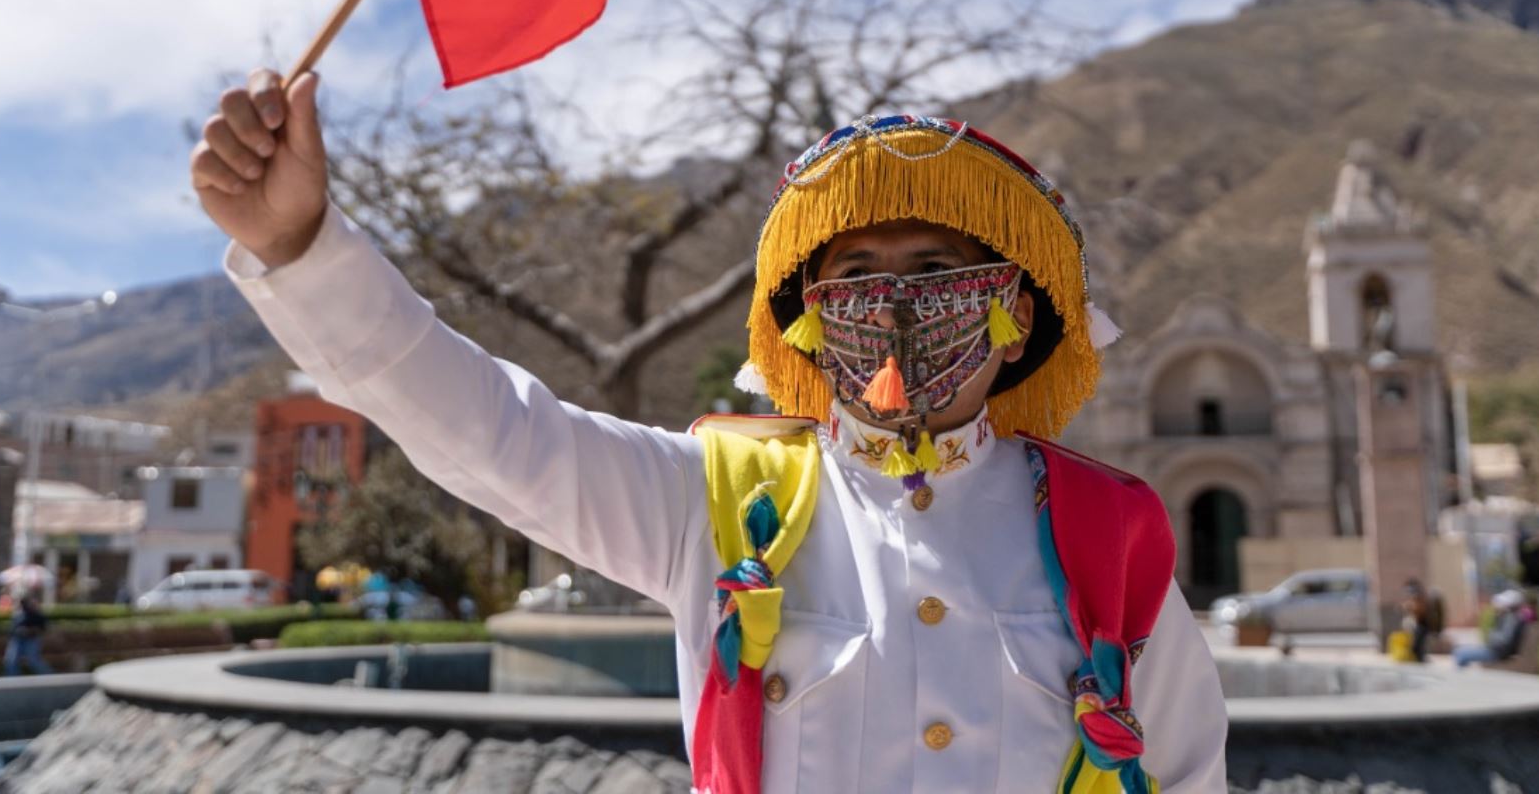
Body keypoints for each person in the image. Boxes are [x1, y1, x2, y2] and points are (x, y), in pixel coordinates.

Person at [193, 73, 1228, 793]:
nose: (900, 308)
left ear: (1017, 320)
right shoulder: (720, 504)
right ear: (811, 323)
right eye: (858, 280)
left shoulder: (1110, 536)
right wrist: (301, 247)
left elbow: (1182, 777)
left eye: (938, 274)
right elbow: (487, 431)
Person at [1454, 588, 1533, 667]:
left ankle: (1461, 678)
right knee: (1461, 650)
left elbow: (1503, 641)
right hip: (1497, 650)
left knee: (1461, 653)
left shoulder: (1511, 619)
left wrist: (1492, 638)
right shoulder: (1510, 617)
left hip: (1498, 652)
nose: (1498, 606)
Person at [4, 591, 54, 676]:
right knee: (11, 660)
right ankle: (12, 682)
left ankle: (49, 676)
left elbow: (43, 627)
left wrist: (30, 630)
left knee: (33, 660)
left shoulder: (37, 614)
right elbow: (13, 629)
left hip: (31, 639)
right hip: (17, 640)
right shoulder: (18, 614)